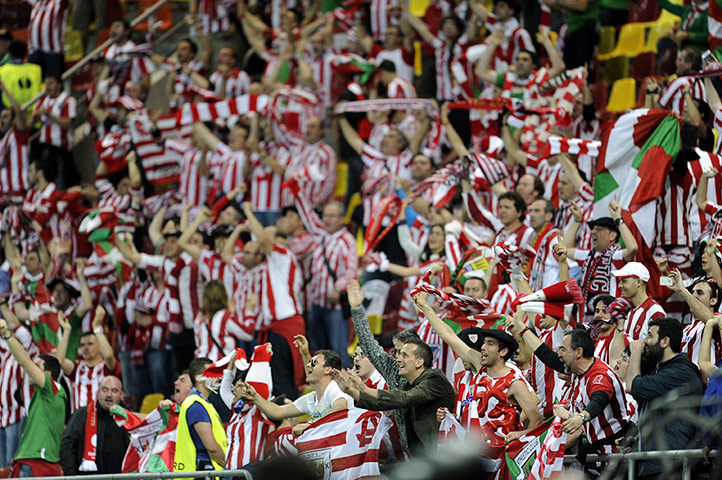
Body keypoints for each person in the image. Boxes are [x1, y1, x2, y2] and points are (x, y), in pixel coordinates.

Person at [517, 324, 632, 453]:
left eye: (563, 349)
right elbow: (547, 356)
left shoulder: (599, 375)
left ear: (578, 352)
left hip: (614, 452)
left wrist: (580, 418)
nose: (559, 354)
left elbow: (599, 399)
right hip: (596, 450)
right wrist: (522, 327)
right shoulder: (577, 370)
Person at [334, 338, 456, 454]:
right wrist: (350, 391)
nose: (397, 359)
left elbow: (405, 398)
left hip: (443, 453)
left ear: (419, 362)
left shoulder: (434, 378)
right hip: (422, 456)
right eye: (398, 354)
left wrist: (366, 389)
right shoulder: (409, 385)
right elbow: (382, 404)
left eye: (404, 355)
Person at [626, 317, 706, 477]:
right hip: (656, 464)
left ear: (665, 341)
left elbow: (632, 386)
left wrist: (634, 353)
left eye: (649, 336)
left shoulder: (681, 372)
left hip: (672, 465)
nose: (644, 341)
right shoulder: (662, 370)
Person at [0, 316, 66, 477]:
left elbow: (25, 362)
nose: (31, 369)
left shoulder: (53, 388)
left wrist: (6, 334)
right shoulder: (43, 397)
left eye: (38, 366)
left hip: (36, 463)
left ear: (48, 374)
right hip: (30, 461)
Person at [238, 349, 353, 436]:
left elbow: (341, 408)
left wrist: (310, 425)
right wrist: (255, 397)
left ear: (327, 369)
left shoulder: (334, 388)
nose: (308, 365)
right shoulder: (311, 398)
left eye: (313, 363)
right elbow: (277, 412)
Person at [565, 198, 639, 325]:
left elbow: (633, 248)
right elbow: (564, 249)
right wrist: (577, 221)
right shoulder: (588, 255)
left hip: (610, 321)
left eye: (599, 229)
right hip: (585, 321)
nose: (593, 232)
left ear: (612, 235)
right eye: (593, 229)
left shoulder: (616, 255)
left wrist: (618, 219)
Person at [55, 306, 121, 411]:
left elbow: (108, 355)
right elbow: (59, 361)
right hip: (79, 422)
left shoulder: (106, 367)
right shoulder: (77, 368)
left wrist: (96, 328)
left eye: (90, 344)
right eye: (82, 345)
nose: (85, 348)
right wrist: (67, 331)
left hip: (102, 421)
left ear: (99, 346)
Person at [60, 376, 129, 474]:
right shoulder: (81, 415)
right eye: (104, 390)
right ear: (98, 392)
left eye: (114, 391)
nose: (109, 395)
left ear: (121, 395)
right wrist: (72, 477)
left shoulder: (129, 419)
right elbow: (67, 447)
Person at [174, 358, 228, 474]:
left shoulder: (203, 403)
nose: (217, 376)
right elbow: (212, 447)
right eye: (212, 372)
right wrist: (230, 466)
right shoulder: (196, 405)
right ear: (198, 378)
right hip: (203, 471)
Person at [612, 262, 666, 340]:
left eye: (624, 281)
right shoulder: (626, 311)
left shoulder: (655, 312)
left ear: (638, 282)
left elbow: (659, 348)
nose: (619, 285)